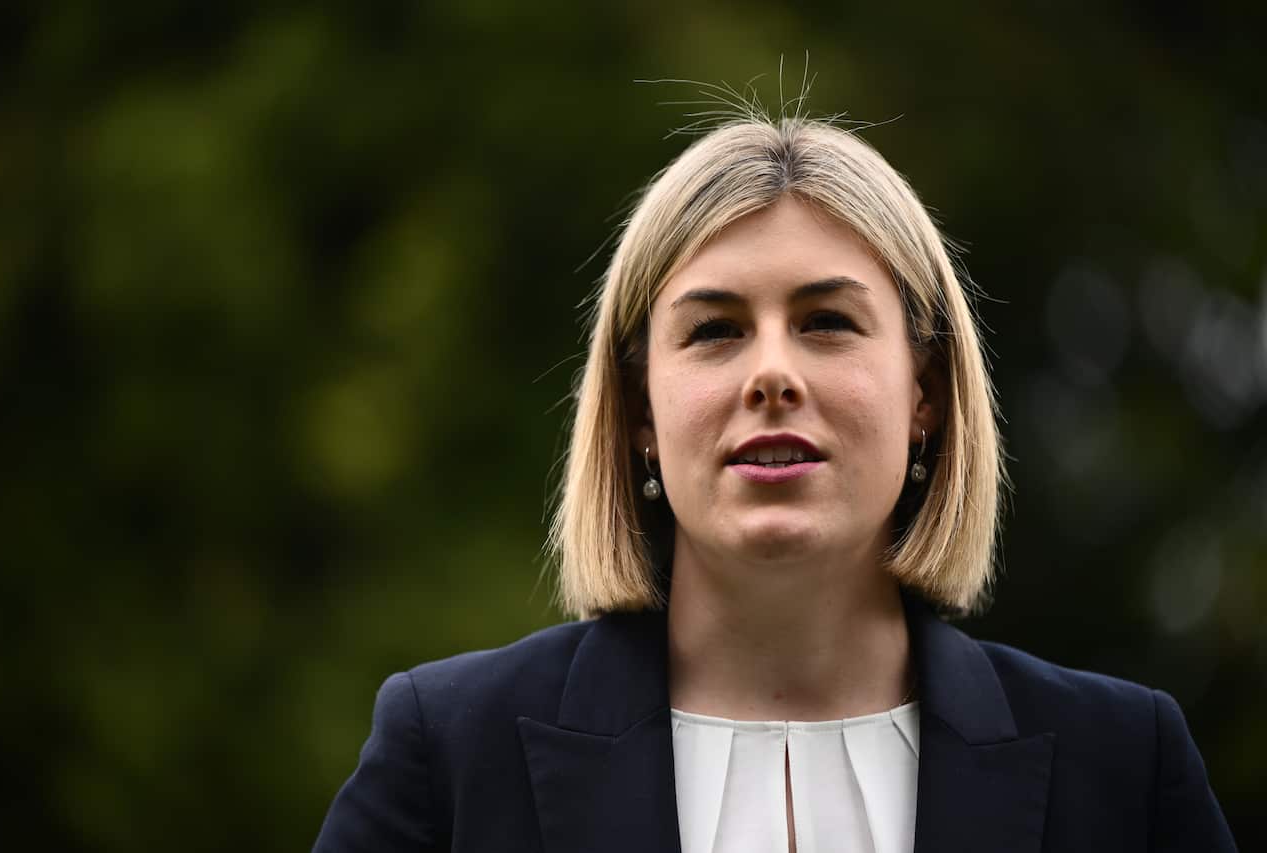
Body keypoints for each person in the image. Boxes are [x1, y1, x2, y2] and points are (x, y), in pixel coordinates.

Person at [312, 112, 1237, 852]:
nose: (772, 374)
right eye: (714, 330)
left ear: (927, 394)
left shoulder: (1119, 763)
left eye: (827, 320)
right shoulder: (450, 752)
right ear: (639, 412)